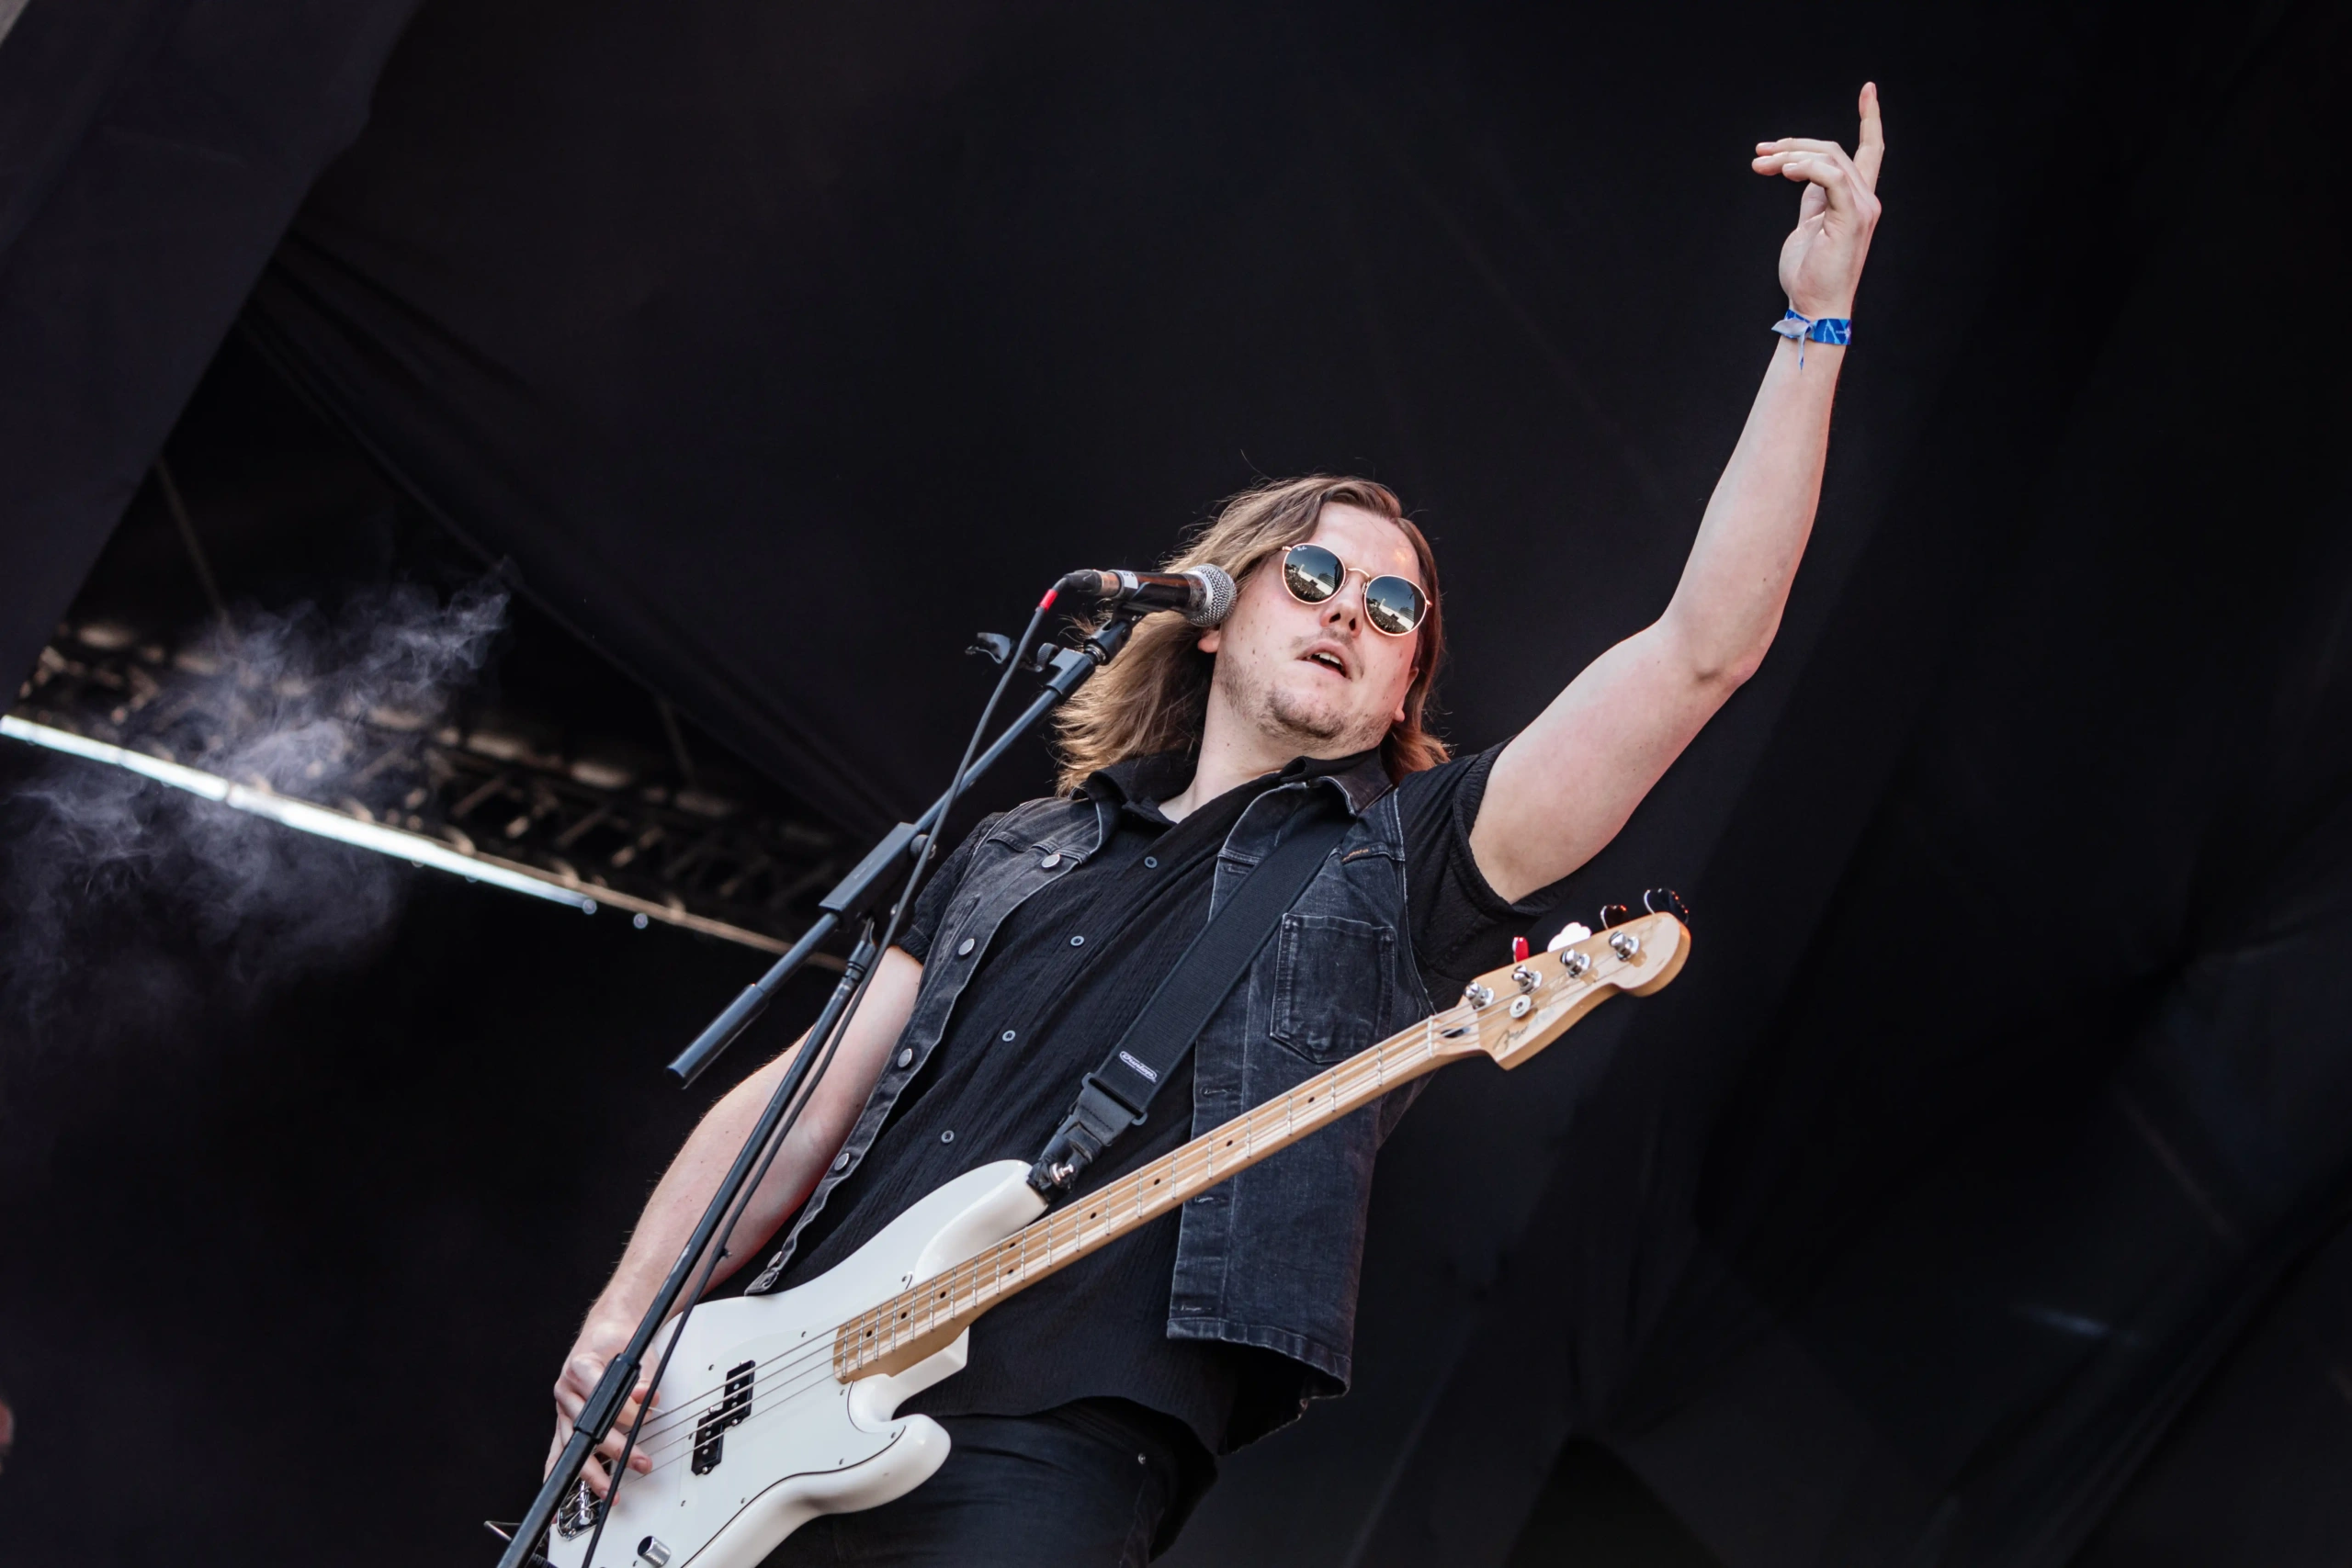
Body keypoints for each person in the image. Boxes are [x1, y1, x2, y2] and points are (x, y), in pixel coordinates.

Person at [549, 85, 1886, 1566]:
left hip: (1056, 1443)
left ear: (1403, 690)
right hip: (764, 1417)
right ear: (1212, 609)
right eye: (1312, 576)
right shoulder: (1017, 846)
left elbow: (1701, 650)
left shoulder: (1403, 862)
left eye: (1394, 608)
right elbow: (802, 1102)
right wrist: (630, 1323)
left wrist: (1813, 325)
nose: (1349, 611)